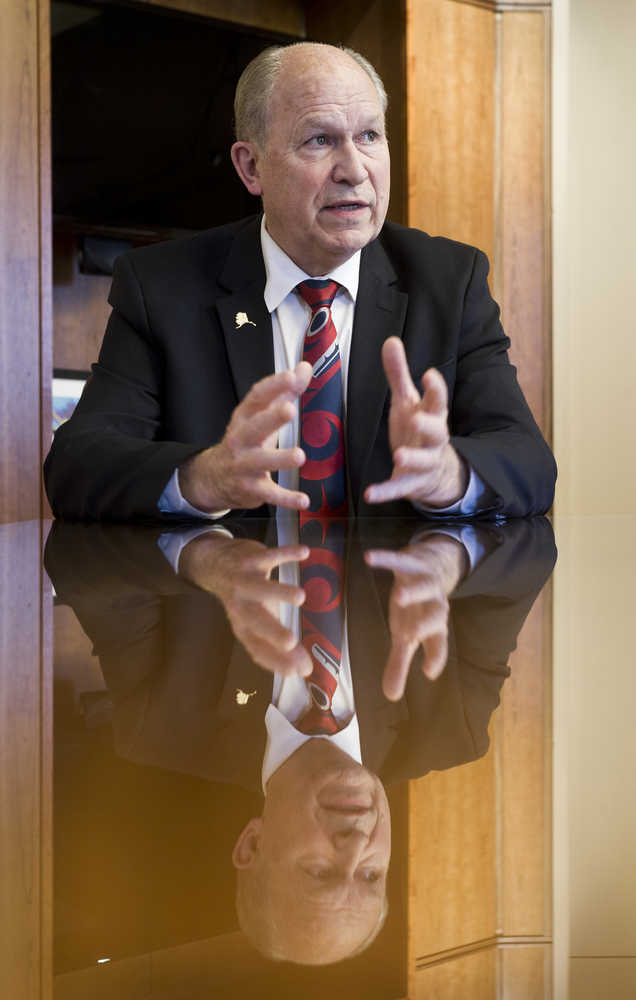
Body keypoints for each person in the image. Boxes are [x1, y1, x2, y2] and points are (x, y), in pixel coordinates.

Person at [44, 41, 555, 521]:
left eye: (369, 136)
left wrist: (448, 473)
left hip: (397, 604)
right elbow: (77, 467)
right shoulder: (162, 287)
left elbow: (529, 462)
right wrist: (206, 477)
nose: (354, 170)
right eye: (320, 140)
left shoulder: (449, 281)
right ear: (251, 167)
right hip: (231, 601)